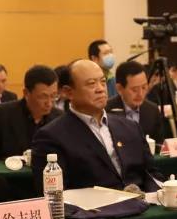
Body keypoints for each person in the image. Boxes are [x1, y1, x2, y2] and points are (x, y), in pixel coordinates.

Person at [30, 59, 159, 194]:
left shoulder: (130, 127)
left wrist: (154, 196)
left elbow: (152, 174)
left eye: (103, 82)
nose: (100, 89)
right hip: (95, 206)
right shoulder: (51, 137)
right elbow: (55, 195)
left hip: (143, 202)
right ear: (69, 92)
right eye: (91, 84)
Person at [0, 65, 61, 160]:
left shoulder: (60, 119)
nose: (49, 103)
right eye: (43, 97)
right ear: (26, 93)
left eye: (54, 96)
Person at [106, 60, 165, 141]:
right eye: (134, 90)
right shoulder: (106, 110)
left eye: (144, 87)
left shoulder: (152, 110)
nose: (140, 94)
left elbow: (159, 144)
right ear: (119, 89)